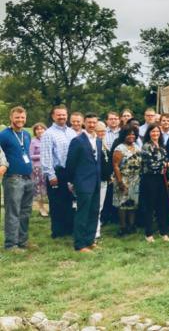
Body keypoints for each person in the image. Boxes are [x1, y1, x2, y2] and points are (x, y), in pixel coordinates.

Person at [65, 113, 102, 252]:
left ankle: (90, 240)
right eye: (89, 122)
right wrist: (72, 182)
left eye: (94, 122)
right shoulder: (77, 141)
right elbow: (70, 163)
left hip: (96, 182)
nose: (92, 125)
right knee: (83, 213)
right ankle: (80, 244)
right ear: (84, 123)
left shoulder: (98, 140)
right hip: (83, 182)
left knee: (94, 212)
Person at [41, 105, 78, 238]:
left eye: (64, 114)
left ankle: (69, 228)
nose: (62, 117)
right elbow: (46, 156)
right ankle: (57, 231)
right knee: (57, 203)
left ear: (67, 115)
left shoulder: (71, 132)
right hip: (56, 173)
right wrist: (51, 174)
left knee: (69, 201)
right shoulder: (48, 134)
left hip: (70, 172)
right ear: (53, 116)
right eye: (59, 115)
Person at [1, 107, 32, 251]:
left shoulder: (26, 134)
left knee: (25, 211)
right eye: (17, 117)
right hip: (13, 178)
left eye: (22, 117)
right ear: (11, 118)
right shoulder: (4, 135)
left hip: (28, 178)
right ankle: (11, 245)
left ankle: (22, 241)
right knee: (13, 212)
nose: (20, 120)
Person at [139, 124, 169, 242]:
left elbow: (166, 161)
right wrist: (165, 165)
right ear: (149, 133)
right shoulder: (146, 147)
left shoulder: (162, 147)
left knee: (162, 206)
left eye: (157, 132)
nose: (155, 134)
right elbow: (150, 165)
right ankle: (148, 234)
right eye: (153, 132)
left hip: (162, 179)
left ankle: (163, 232)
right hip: (149, 179)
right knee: (150, 206)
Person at [112, 125, 142, 236]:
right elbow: (115, 165)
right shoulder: (119, 148)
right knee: (123, 204)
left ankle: (131, 225)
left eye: (133, 134)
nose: (131, 136)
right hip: (123, 179)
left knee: (133, 204)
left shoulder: (137, 147)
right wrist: (120, 182)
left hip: (135, 179)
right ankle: (123, 227)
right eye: (129, 134)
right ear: (124, 135)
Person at [94, 122, 113, 239]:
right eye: (99, 131)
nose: (101, 133)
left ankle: (97, 230)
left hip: (104, 181)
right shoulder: (93, 144)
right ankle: (94, 232)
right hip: (95, 181)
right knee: (95, 207)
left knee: (100, 206)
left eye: (103, 131)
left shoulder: (104, 145)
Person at [30, 123, 49, 217]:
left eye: (42, 129)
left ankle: (51, 208)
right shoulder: (33, 142)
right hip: (38, 168)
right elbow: (30, 156)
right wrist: (42, 155)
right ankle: (41, 209)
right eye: (37, 129)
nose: (40, 130)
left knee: (49, 189)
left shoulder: (48, 140)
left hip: (48, 168)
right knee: (39, 190)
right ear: (35, 132)